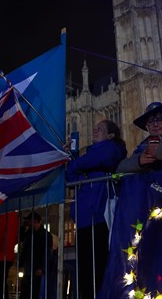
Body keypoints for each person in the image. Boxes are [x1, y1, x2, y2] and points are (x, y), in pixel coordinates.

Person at [65, 120, 127, 299]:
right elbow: (69, 177)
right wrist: (73, 156)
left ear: (110, 135)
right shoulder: (91, 156)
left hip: (100, 216)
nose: (94, 129)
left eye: (100, 128)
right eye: (94, 127)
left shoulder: (112, 149)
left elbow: (79, 167)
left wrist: (77, 163)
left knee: (100, 269)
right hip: (85, 219)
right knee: (86, 273)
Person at [18, 211, 54, 299]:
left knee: (36, 292)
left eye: (31, 221)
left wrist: (42, 267)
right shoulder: (29, 234)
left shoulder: (45, 235)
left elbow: (47, 252)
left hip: (37, 269)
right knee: (26, 292)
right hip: (28, 268)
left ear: (37, 221)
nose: (30, 224)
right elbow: (20, 239)